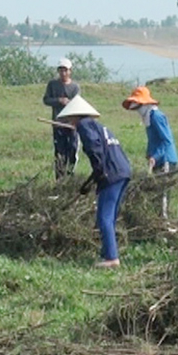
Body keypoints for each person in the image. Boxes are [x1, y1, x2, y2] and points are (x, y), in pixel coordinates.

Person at [57, 95, 132, 268]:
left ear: (75, 115)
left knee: (104, 217)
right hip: (123, 171)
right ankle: (107, 252)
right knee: (110, 216)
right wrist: (91, 181)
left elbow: (94, 148)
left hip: (111, 174)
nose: (69, 121)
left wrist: (99, 174)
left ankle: (112, 259)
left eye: (69, 118)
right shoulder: (99, 126)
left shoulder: (84, 125)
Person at [122, 86, 178, 219]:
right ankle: (156, 219)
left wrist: (155, 156)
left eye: (138, 106)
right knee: (155, 192)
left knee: (162, 194)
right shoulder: (148, 117)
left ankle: (163, 223)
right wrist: (149, 154)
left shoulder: (156, 116)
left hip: (166, 159)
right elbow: (153, 140)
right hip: (156, 160)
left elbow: (166, 140)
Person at [43, 57, 81, 180]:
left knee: (72, 151)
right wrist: (59, 100)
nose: (63, 73)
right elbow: (46, 100)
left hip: (71, 125)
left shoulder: (75, 87)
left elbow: (78, 105)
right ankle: (59, 178)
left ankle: (70, 177)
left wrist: (70, 103)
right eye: (61, 70)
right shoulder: (52, 85)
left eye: (65, 70)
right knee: (60, 152)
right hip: (58, 123)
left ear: (70, 71)